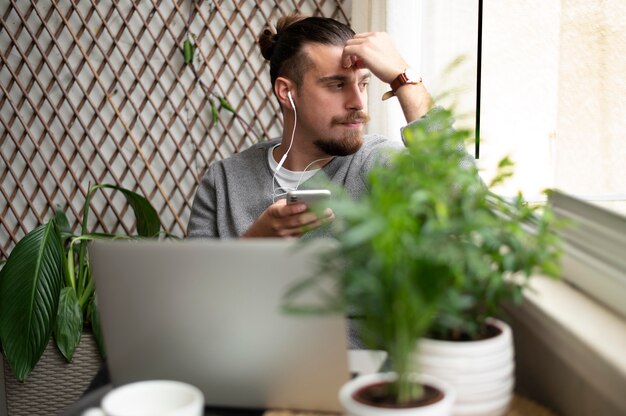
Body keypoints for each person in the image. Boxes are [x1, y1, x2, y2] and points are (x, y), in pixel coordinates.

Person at [187, 15, 432, 239]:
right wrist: (256, 242)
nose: (358, 103)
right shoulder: (223, 182)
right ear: (287, 92)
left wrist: (405, 79)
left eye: (363, 84)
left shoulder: (380, 164)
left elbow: (463, 202)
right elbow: (192, 285)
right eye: (337, 85)